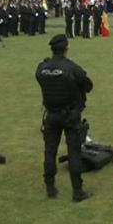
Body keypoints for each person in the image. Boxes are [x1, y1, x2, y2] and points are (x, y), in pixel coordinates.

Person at [36, 35, 93, 202]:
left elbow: (40, 79)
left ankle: (50, 187)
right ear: (66, 48)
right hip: (70, 115)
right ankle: (77, 191)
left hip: (51, 114)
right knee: (74, 152)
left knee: (49, 151)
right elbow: (88, 85)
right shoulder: (71, 67)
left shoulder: (42, 67)